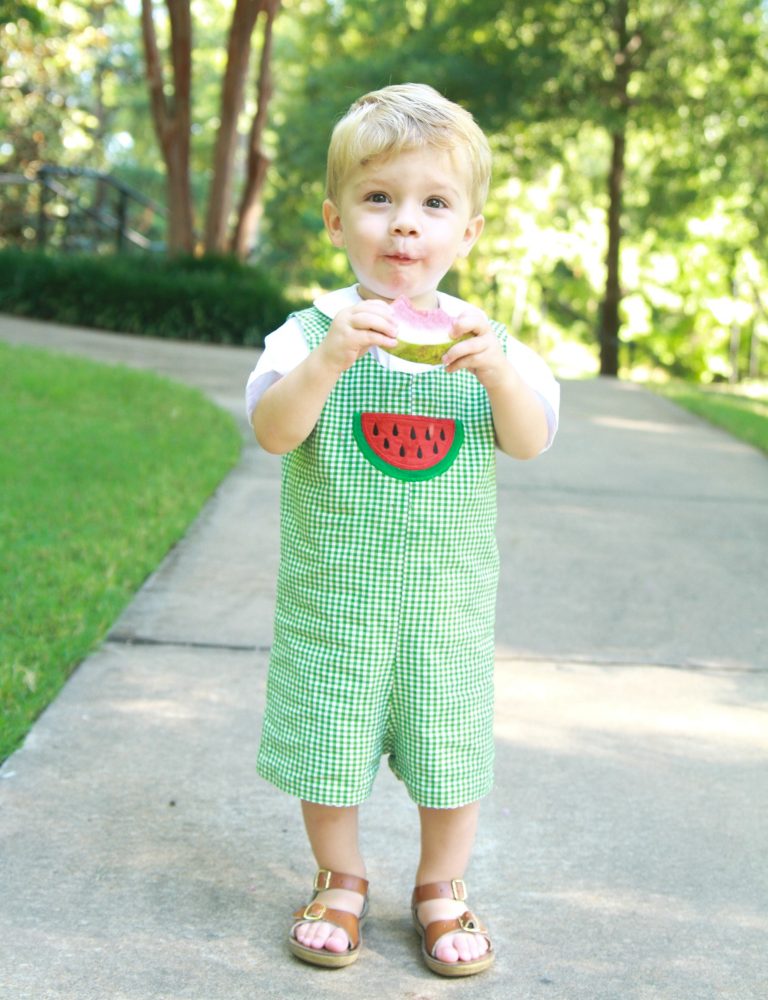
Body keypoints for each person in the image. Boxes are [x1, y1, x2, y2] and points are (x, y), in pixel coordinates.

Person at [245, 82, 560, 977]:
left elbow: (530, 441)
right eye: (379, 198)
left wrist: (497, 375)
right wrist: (329, 360)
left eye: (434, 204)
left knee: (450, 750)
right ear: (336, 219)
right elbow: (273, 432)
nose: (405, 225)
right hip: (335, 602)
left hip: (444, 609)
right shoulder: (306, 335)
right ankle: (339, 877)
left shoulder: (490, 343)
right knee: (326, 745)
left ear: (469, 233)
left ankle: (441, 886)